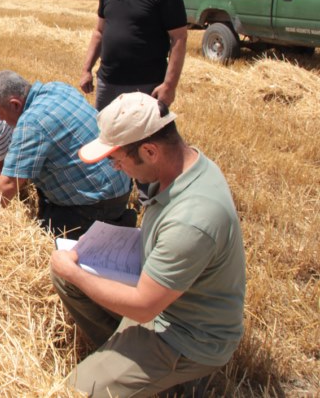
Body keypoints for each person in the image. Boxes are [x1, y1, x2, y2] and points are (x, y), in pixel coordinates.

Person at [50, 92, 246, 397]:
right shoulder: (183, 164)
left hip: (184, 335)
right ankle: (123, 360)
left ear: (150, 151)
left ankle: (168, 379)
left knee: (75, 392)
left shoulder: (192, 219)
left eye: (116, 161)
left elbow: (144, 308)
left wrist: (76, 273)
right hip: (166, 302)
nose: (116, 168)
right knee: (65, 274)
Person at [0, 71, 133, 236]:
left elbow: (9, 184)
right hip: (120, 185)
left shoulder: (32, 122)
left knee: (51, 242)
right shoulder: (58, 88)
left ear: (15, 104)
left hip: (95, 204)